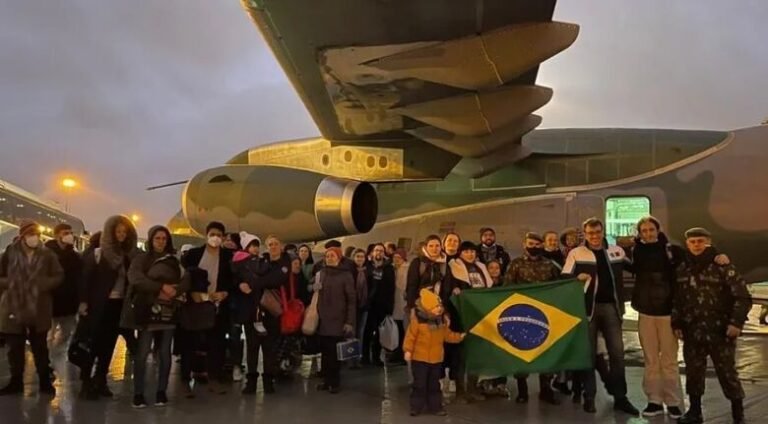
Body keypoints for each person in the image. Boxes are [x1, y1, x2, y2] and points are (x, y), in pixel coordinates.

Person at [672, 227, 751, 424]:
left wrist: (736, 323)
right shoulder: (683, 268)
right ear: (687, 244)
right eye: (692, 242)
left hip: (720, 331)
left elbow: (742, 297)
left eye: (700, 241)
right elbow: (677, 300)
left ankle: (738, 415)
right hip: (693, 332)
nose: (696, 245)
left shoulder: (723, 267)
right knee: (693, 374)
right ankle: (695, 412)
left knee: (727, 374)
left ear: (708, 242)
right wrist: (677, 322)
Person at [561, 217, 639, 415]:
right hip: (588, 310)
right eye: (590, 233)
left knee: (617, 355)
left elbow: (636, 268)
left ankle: (621, 398)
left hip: (612, 308)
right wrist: (575, 278)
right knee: (588, 355)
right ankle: (589, 397)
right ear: (585, 234)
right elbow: (564, 277)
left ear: (602, 231)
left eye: (597, 232)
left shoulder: (616, 251)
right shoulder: (576, 253)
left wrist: (638, 245)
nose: (594, 236)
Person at [627, 216, 686, 418]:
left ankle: (673, 401)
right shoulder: (637, 252)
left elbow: (693, 263)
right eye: (644, 230)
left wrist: (716, 256)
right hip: (646, 313)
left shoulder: (673, 252)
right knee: (651, 359)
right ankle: (654, 400)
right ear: (639, 233)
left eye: (651, 229)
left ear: (658, 230)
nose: (648, 233)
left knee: (669, 360)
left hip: (667, 313)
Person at [123, 225, 188, 408]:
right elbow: (135, 278)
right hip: (147, 310)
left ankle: (161, 391)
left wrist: (175, 291)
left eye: (164, 239)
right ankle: (138, 393)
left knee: (165, 353)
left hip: (169, 310)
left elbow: (186, 279)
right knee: (142, 353)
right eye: (157, 238)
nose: (161, 242)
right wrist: (160, 287)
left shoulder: (174, 261)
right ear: (151, 240)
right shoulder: (142, 259)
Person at [79, 215, 139, 399]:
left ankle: (100, 379)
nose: (121, 235)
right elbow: (85, 280)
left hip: (118, 305)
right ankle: (86, 382)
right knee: (93, 344)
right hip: (100, 305)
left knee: (109, 345)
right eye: (118, 232)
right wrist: (83, 302)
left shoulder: (127, 256)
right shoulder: (99, 254)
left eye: (124, 232)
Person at [0, 220, 63, 396]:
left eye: (36, 234)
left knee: (40, 348)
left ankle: (44, 381)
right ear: (22, 236)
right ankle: (15, 382)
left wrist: (43, 284)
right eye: (30, 234)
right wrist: (12, 283)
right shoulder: (9, 253)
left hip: (39, 308)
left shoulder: (47, 255)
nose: (34, 237)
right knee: (15, 349)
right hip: (13, 307)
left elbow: (58, 275)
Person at [504, 232, 561, 405]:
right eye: (531, 244)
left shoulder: (549, 265)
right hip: (521, 315)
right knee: (521, 353)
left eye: (537, 244)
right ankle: (522, 391)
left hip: (544, 316)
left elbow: (560, 287)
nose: (534, 247)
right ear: (524, 244)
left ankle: (546, 389)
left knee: (546, 351)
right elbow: (507, 288)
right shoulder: (515, 264)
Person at [180, 221, 234, 395]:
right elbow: (184, 278)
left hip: (217, 306)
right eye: (213, 234)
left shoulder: (228, 256)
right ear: (206, 235)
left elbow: (234, 280)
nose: (216, 238)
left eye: (219, 235)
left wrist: (225, 293)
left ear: (224, 237)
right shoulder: (194, 254)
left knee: (216, 344)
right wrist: (192, 293)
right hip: (195, 305)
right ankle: (185, 380)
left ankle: (214, 379)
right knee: (190, 343)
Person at [404, 289, 465, 416]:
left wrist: (459, 337)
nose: (439, 309)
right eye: (436, 306)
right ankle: (416, 406)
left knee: (434, 385)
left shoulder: (441, 322)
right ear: (427, 307)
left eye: (440, 306)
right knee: (419, 384)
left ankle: (435, 406)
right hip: (420, 359)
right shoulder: (417, 322)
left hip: (436, 360)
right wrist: (408, 350)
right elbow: (410, 337)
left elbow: (447, 336)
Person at [447, 241, 492, 404]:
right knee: (461, 356)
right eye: (466, 251)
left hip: (479, 317)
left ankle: (472, 388)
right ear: (460, 253)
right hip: (462, 318)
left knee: (476, 355)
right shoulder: (454, 267)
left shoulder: (481, 268)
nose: (470, 254)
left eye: (472, 251)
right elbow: (449, 289)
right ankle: (460, 391)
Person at [313, 246, 356, 393]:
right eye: (327, 256)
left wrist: (349, 321)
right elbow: (310, 288)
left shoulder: (346, 275)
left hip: (338, 319)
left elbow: (351, 300)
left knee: (334, 353)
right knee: (325, 352)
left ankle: (334, 382)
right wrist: (313, 287)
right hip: (323, 319)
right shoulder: (321, 274)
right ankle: (326, 380)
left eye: (332, 256)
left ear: (338, 258)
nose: (329, 258)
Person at [229, 232, 261, 387]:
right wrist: (239, 284)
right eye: (252, 246)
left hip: (251, 305)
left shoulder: (258, 262)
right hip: (238, 305)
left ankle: (250, 372)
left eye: (257, 246)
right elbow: (231, 280)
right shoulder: (237, 261)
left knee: (251, 340)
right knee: (236, 337)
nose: (255, 249)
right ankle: (236, 365)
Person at [45, 223, 83, 348]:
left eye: (70, 233)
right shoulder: (46, 254)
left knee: (67, 334)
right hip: (50, 303)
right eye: (65, 233)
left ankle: (55, 356)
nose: (69, 236)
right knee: (48, 335)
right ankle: (46, 361)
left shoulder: (75, 256)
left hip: (69, 305)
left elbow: (78, 279)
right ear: (57, 236)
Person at [362, 243, 395, 366]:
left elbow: (391, 288)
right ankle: (365, 357)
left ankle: (376, 357)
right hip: (369, 305)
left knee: (380, 333)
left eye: (381, 251)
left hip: (382, 305)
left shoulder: (388, 268)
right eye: (377, 250)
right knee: (367, 332)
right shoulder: (367, 267)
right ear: (372, 253)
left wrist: (390, 307)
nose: (379, 253)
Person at [406, 235, 447, 310]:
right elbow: (411, 286)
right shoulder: (418, 262)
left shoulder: (444, 264)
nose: (434, 249)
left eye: (437, 246)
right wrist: (411, 308)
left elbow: (446, 289)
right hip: (419, 305)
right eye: (431, 246)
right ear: (426, 247)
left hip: (438, 307)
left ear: (441, 247)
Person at [350, 249, 368, 369]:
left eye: (362, 257)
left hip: (364, 306)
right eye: (357, 256)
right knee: (351, 333)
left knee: (360, 333)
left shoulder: (367, 272)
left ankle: (358, 358)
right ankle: (350, 358)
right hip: (352, 306)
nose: (360, 259)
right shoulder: (349, 272)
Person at [391, 248, 409, 364]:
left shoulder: (406, 269)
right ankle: (397, 353)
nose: (396, 260)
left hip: (402, 302)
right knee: (397, 329)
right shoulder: (394, 269)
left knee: (403, 330)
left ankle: (402, 353)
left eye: (399, 258)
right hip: (396, 303)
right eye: (395, 258)